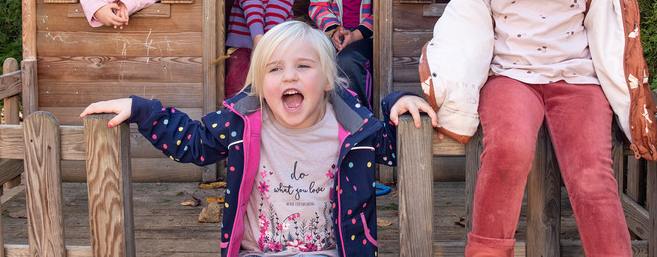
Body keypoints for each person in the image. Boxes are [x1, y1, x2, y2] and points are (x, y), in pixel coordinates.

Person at [420, 0, 641, 256]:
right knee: (506, 153)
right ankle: (487, 250)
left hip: (577, 83)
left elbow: (610, 38)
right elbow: (463, 32)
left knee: (592, 175)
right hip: (511, 79)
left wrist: (632, 107)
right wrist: (449, 88)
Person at [81, 20, 437, 257]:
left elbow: (394, 147)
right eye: (275, 69)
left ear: (328, 80)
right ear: (259, 85)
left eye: (303, 66)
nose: (288, 77)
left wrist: (399, 102)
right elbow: (191, 142)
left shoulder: (355, 129)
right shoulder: (242, 124)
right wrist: (141, 109)